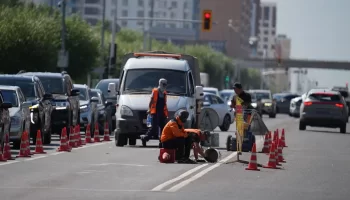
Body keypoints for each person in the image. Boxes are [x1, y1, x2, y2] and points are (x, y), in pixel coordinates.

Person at [141, 78, 169, 145]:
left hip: (162, 113)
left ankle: (162, 141)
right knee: (154, 128)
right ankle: (144, 138)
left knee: (163, 127)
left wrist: (165, 114)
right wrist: (149, 109)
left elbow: (164, 103)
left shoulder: (164, 93)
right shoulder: (155, 91)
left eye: (165, 84)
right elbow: (151, 101)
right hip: (155, 112)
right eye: (163, 84)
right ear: (160, 84)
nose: (165, 86)